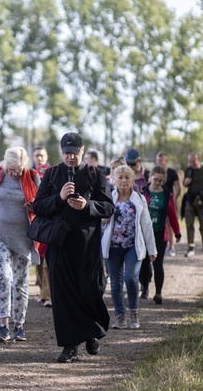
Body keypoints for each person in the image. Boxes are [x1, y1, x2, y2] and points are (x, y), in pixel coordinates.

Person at [31, 132, 115, 363]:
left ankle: (93, 333)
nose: (70, 157)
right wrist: (58, 197)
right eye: (66, 153)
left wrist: (87, 205)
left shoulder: (94, 174)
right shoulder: (52, 174)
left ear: (82, 151)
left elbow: (108, 207)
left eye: (74, 153)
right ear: (61, 152)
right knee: (64, 295)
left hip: (88, 245)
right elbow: (38, 206)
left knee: (91, 289)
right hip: (60, 244)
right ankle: (70, 346)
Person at [0, 147, 41, 343]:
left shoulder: (32, 176)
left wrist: (34, 207)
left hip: (24, 238)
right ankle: (3, 325)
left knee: (20, 282)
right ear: (5, 163)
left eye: (18, 170)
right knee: (3, 277)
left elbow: (42, 205)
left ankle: (19, 325)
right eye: (11, 169)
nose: (14, 173)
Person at [101, 164, 157, 330]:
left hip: (133, 246)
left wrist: (152, 249)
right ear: (114, 180)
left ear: (133, 180)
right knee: (116, 283)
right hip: (113, 246)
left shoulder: (138, 199)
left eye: (127, 177)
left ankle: (134, 313)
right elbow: (102, 223)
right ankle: (119, 317)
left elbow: (146, 224)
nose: (123, 180)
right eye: (120, 177)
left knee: (131, 277)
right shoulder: (109, 198)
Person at [139, 166, 182, 303]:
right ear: (150, 177)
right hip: (144, 232)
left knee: (158, 263)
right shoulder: (142, 192)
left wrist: (177, 232)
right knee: (144, 262)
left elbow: (173, 215)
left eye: (160, 180)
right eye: (155, 179)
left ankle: (158, 293)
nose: (157, 182)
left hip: (159, 233)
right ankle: (144, 288)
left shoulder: (167, 195)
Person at [31, 146, 51, 307]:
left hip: (49, 221)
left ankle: (47, 295)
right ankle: (42, 290)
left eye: (42, 155)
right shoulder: (29, 174)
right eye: (37, 155)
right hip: (35, 221)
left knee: (47, 262)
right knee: (38, 260)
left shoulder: (54, 173)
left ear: (46, 156)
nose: (39, 158)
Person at [155, 151, 181, 257]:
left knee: (170, 223)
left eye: (161, 160)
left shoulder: (172, 172)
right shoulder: (154, 172)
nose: (159, 162)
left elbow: (178, 187)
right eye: (157, 160)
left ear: (166, 161)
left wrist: (173, 199)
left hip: (169, 202)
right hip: (157, 201)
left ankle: (171, 246)